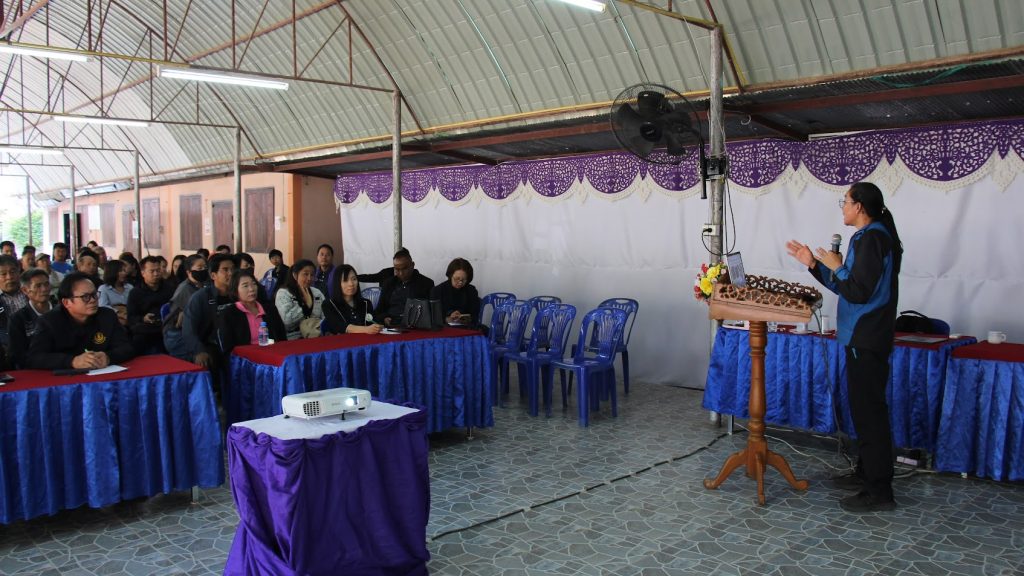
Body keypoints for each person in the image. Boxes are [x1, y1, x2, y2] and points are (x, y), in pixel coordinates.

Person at [785, 181, 903, 513]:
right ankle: (866, 472)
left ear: (859, 207)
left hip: (866, 336)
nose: (843, 208)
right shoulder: (868, 237)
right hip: (862, 336)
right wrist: (814, 264)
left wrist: (835, 265)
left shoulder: (873, 239)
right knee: (865, 410)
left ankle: (879, 491)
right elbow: (847, 285)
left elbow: (858, 291)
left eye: (846, 202)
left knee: (869, 414)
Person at [27, 272, 135, 370]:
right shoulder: (49, 322)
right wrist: (72, 361)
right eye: (85, 297)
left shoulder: (107, 316)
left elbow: (126, 348)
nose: (93, 300)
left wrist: (108, 357)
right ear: (66, 302)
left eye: (94, 295)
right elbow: (35, 358)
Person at [182, 253, 235, 368]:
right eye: (225, 270)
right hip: (210, 345)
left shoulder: (239, 294)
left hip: (236, 343)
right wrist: (198, 351)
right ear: (213, 275)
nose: (231, 273)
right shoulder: (200, 297)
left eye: (233, 269)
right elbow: (189, 329)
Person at [217, 269, 287, 355]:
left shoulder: (270, 309)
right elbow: (228, 348)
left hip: (272, 354)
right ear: (235, 291)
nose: (251, 289)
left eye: (254, 284)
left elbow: (282, 338)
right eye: (245, 286)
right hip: (245, 359)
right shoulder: (229, 314)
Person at [7, 269, 56, 369]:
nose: (44, 289)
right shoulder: (18, 319)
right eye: (38, 286)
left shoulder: (63, 312)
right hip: (33, 370)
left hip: (65, 366)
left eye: (46, 284)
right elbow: (18, 355)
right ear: (25, 290)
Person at [127, 256, 175, 355]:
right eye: (152, 271)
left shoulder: (169, 289)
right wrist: (143, 318)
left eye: (158, 270)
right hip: (145, 329)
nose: (156, 274)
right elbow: (131, 317)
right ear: (143, 273)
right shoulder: (135, 292)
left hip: (165, 327)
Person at [163, 255, 208, 360]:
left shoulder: (203, 285)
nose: (203, 270)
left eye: (205, 267)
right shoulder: (185, 289)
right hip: (177, 335)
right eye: (199, 268)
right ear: (189, 272)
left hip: (196, 331)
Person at [374, 249, 434, 326]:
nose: (401, 273)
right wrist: (384, 318)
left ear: (412, 265)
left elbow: (432, 311)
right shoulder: (388, 284)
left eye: (404, 268)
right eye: (397, 269)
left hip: (416, 326)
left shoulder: (426, 283)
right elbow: (379, 310)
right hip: (392, 326)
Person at [323, 264, 381, 335]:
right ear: (337, 283)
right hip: (342, 341)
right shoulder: (329, 304)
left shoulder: (366, 303)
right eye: (345, 280)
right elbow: (341, 327)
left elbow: (372, 323)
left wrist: (377, 327)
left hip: (365, 341)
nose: (351, 284)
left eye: (354, 279)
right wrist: (366, 329)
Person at [275, 259, 324, 340]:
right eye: (305, 274)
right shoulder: (284, 293)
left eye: (312, 275)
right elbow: (287, 321)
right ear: (295, 275)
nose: (309, 278)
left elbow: (324, 316)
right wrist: (304, 306)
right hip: (293, 337)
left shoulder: (317, 293)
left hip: (316, 335)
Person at [431, 258, 480, 325]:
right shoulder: (437, 290)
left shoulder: (471, 291)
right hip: (444, 327)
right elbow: (433, 317)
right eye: (457, 279)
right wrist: (448, 319)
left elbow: (475, 316)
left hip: (466, 327)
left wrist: (465, 319)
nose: (460, 282)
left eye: (464, 280)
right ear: (450, 276)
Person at [0, 254, 29, 350]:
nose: (9, 277)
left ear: (19, 271)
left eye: (13, 272)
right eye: (3, 274)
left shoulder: (30, 292)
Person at [98, 260, 133, 326]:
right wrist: (118, 312)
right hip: (111, 319)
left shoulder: (130, 287)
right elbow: (103, 306)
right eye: (120, 271)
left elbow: (134, 305)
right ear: (112, 272)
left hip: (129, 317)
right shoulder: (103, 288)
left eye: (124, 270)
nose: (124, 273)